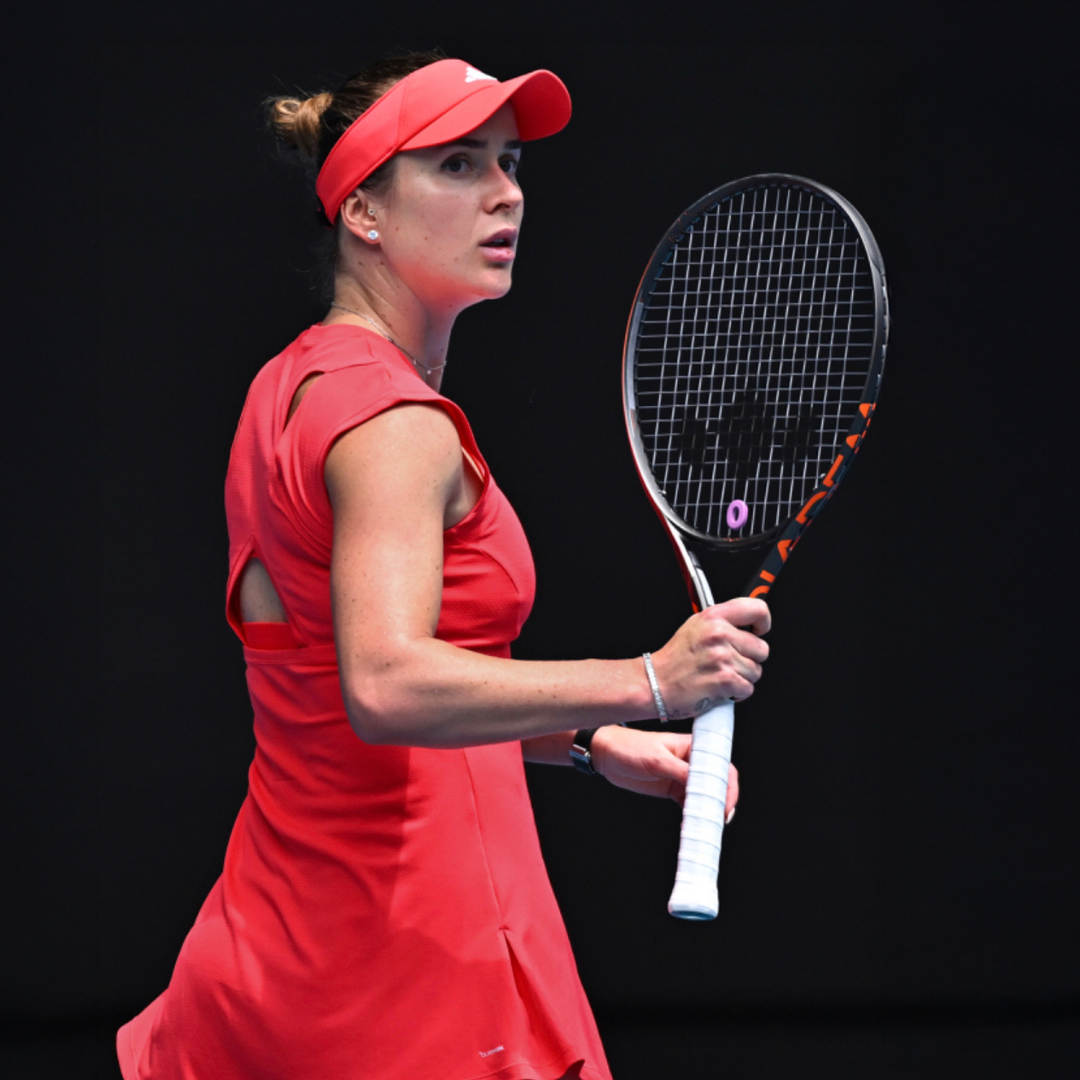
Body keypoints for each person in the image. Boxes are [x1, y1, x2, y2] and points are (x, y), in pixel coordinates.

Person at [116, 53, 770, 1080]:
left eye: (509, 163)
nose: (506, 192)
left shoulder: (290, 387)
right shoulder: (395, 427)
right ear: (364, 213)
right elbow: (388, 684)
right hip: (411, 975)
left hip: (281, 956)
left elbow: (342, 688)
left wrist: (592, 744)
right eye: (459, 166)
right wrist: (653, 682)